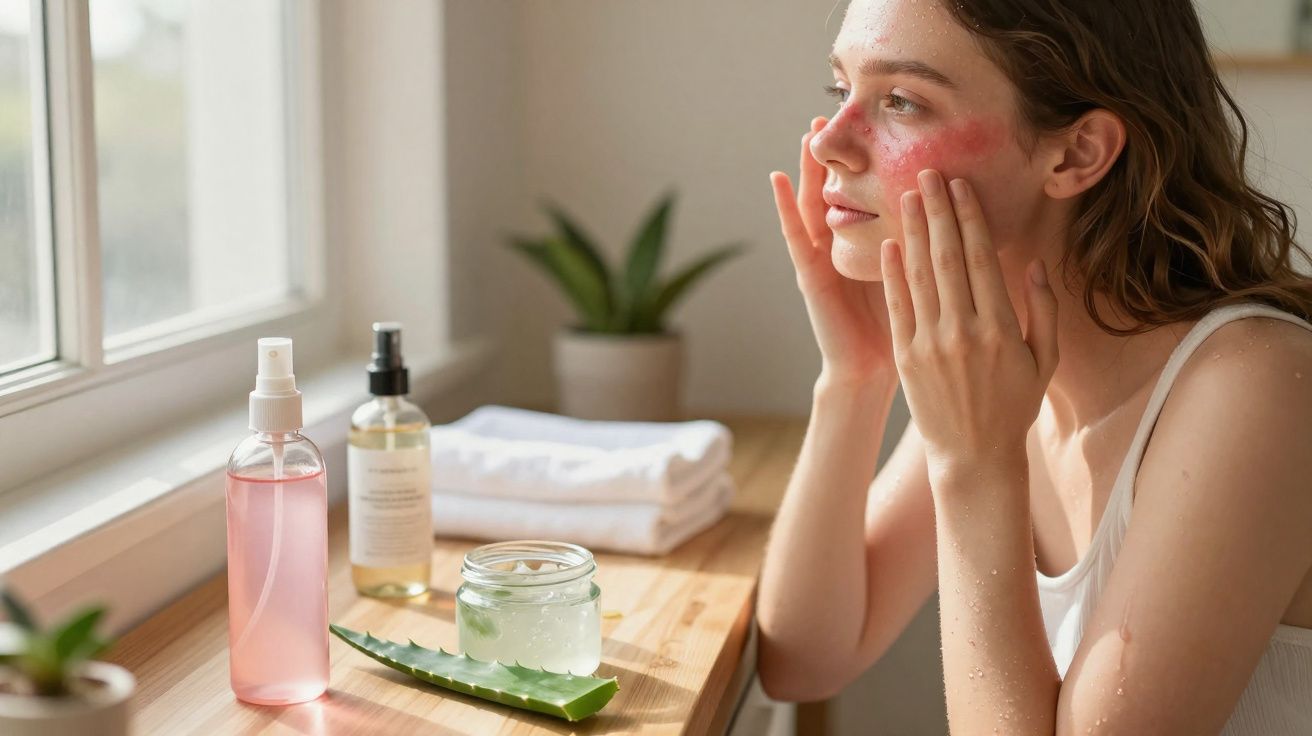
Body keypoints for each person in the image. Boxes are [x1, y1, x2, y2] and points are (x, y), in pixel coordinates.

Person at [755, 0, 1312, 733]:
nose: (829, 142)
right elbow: (804, 658)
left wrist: (975, 463)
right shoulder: (1004, 364)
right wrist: (857, 376)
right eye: (840, 90)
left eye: (900, 101)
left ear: (1076, 153)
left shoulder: (1257, 387)